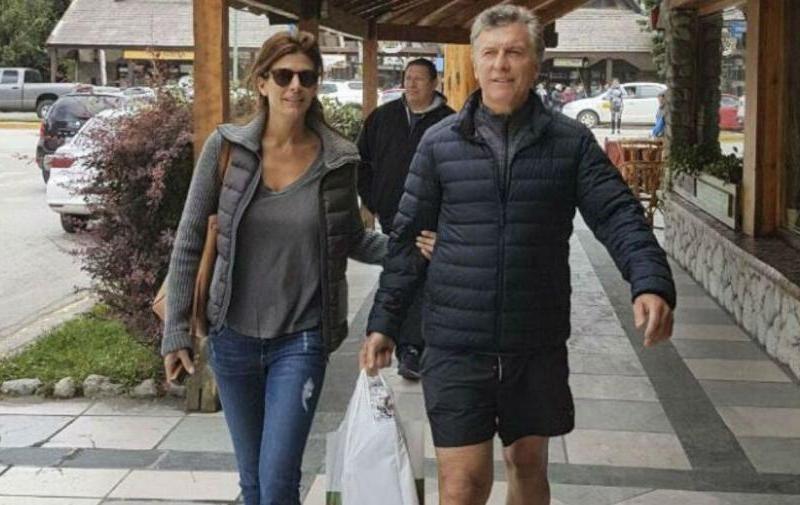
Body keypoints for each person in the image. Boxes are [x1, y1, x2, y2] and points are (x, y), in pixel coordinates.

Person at [360, 6, 675, 505]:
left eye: (514, 52)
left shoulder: (570, 143)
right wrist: (385, 322)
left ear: (535, 63)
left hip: (534, 340)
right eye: (490, 53)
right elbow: (406, 241)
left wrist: (649, 279)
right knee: (463, 485)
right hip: (456, 342)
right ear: (475, 62)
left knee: (526, 465)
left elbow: (617, 212)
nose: (501, 64)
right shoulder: (440, 144)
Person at [160, 31, 433, 505]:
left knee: (279, 481)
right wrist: (175, 330)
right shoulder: (226, 148)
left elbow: (352, 238)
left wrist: (410, 249)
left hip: (301, 339)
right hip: (231, 336)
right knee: (253, 482)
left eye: (306, 77)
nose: (295, 87)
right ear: (261, 82)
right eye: (283, 75)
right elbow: (189, 239)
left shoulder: (337, 160)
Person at [357, 58, 455, 380]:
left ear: (435, 83)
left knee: (423, 277)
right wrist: (370, 201)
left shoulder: (450, 123)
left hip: (432, 220)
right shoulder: (383, 117)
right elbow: (362, 162)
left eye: (419, 79)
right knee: (402, 274)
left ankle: (413, 347)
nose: (411, 84)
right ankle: (409, 345)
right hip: (392, 214)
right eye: (408, 78)